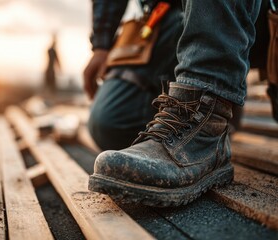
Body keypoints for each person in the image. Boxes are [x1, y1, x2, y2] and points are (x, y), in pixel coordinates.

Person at [84, 0, 264, 207]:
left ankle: (211, 110)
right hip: (165, 13)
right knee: (110, 124)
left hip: (245, 12)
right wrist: (102, 42)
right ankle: (194, 110)